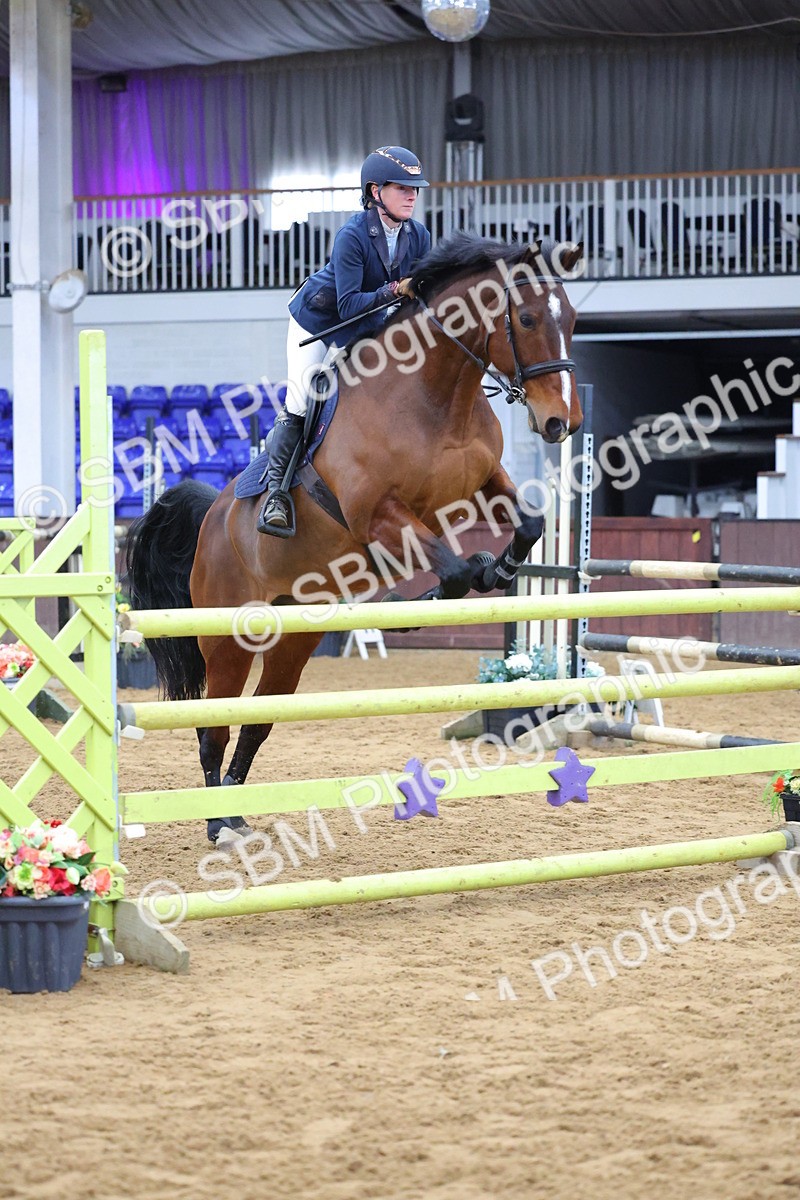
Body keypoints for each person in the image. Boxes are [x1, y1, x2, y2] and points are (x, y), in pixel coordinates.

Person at [257, 145, 431, 535]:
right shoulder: (352, 235)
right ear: (375, 192)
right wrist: (394, 289)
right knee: (301, 399)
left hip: (368, 324)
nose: (411, 196)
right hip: (318, 323)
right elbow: (349, 304)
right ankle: (276, 495)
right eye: (402, 187)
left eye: (415, 189)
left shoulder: (418, 235)